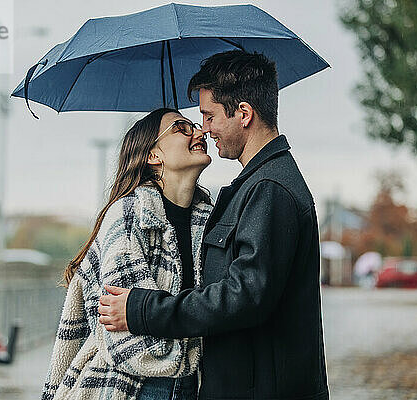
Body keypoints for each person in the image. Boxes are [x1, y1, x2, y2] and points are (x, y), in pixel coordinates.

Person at [99, 50, 330, 400]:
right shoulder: (253, 187)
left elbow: (244, 296)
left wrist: (143, 309)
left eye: (208, 116)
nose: (204, 128)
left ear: (244, 114)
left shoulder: (270, 189)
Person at [41, 108, 213, 400]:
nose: (200, 133)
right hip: (133, 388)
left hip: (194, 385)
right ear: (153, 155)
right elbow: (124, 335)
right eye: (182, 128)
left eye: (196, 126)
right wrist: (188, 347)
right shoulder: (127, 215)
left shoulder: (211, 221)